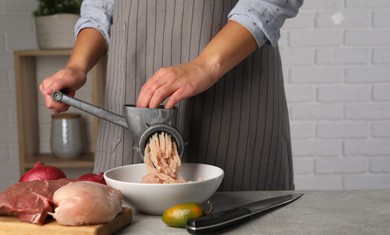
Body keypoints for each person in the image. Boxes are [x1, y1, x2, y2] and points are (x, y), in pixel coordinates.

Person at [39, 0, 303, 191]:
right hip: (132, 83)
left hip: (233, 87)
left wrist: (206, 64)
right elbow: (100, 8)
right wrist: (77, 66)